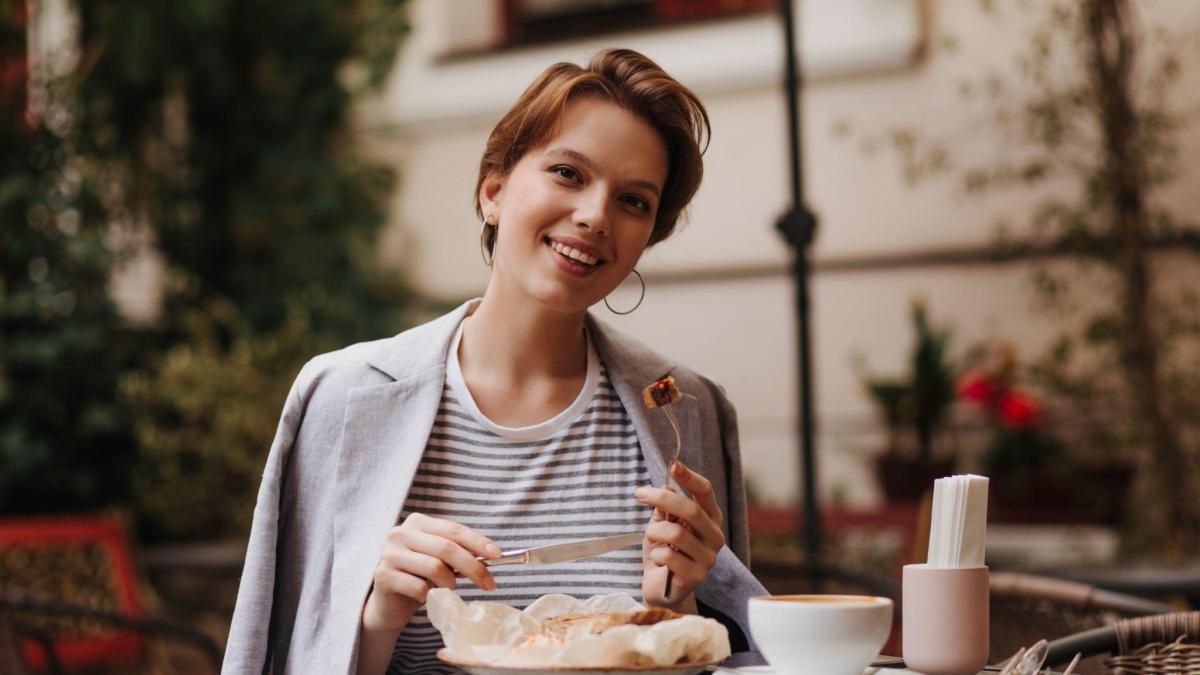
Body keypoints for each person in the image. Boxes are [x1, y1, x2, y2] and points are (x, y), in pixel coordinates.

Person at [221, 48, 767, 675]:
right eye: (568, 173)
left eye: (634, 201)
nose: (594, 215)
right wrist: (377, 619)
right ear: (494, 192)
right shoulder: (342, 399)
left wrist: (676, 610)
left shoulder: (685, 407)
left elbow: (729, 654)